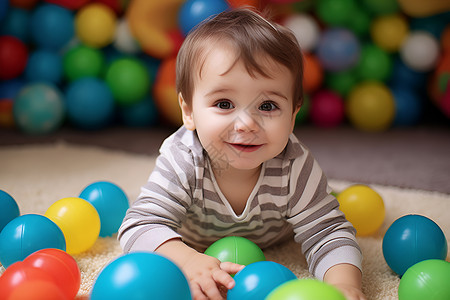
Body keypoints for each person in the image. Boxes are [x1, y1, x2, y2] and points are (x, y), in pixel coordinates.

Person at [119, 8, 365, 300]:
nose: (247, 124)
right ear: (189, 112)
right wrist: (186, 260)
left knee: (323, 206)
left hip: (274, 237)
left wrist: (343, 284)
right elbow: (138, 225)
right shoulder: (183, 158)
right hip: (194, 240)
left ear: (293, 115)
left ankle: (325, 196)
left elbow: (328, 233)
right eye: (224, 104)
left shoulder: (295, 165)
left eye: (268, 106)